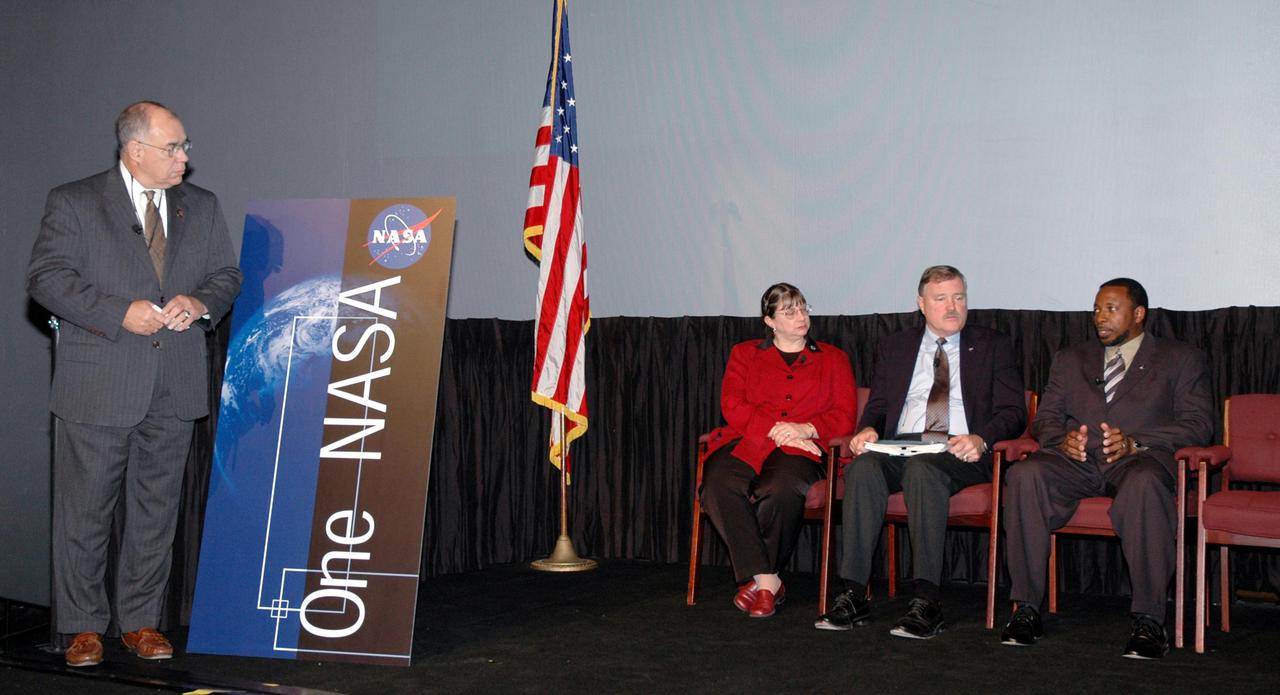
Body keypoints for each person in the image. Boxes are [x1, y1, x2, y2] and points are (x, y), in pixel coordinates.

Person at [27, 101, 243, 667]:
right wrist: (116, 311)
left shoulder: (202, 206)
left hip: (174, 381)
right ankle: (81, 627)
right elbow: (47, 278)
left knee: (156, 510)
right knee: (85, 512)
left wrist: (200, 303)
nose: (184, 158)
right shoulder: (74, 201)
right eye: (173, 148)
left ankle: (141, 621)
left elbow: (227, 275)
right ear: (136, 150)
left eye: (184, 147)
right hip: (98, 382)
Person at [1000, 278, 1213, 659]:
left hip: (1137, 460)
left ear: (1138, 314)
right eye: (1097, 309)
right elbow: (1044, 419)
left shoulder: (1179, 357)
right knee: (1024, 475)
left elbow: (1198, 424)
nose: (1100, 317)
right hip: (1078, 462)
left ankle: (1149, 619)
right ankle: (1026, 609)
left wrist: (1136, 440)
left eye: (1111, 309)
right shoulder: (1070, 358)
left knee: (1146, 484)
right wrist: (1061, 439)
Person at [815, 265, 1025, 639]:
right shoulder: (896, 346)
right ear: (921, 304)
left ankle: (927, 600)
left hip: (960, 449)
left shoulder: (993, 344)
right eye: (941, 299)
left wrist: (981, 438)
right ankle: (852, 593)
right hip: (903, 443)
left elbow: (1014, 412)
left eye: (959, 298)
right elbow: (879, 404)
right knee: (862, 469)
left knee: (923, 470)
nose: (952, 307)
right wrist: (866, 429)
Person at [700, 283, 857, 618]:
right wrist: (776, 430)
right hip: (750, 440)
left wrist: (805, 428)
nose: (800, 316)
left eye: (803, 308)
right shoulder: (744, 353)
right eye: (789, 311)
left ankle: (760, 584)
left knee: (782, 487)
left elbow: (845, 415)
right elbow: (732, 403)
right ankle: (769, 580)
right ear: (769, 321)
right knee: (717, 483)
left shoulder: (834, 358)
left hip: (803, 449)